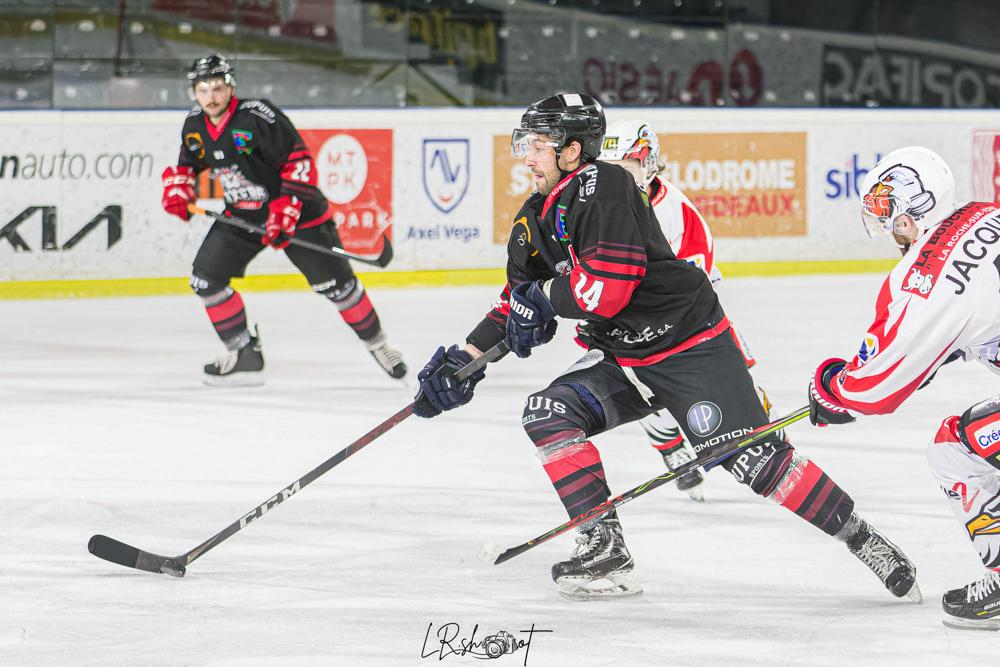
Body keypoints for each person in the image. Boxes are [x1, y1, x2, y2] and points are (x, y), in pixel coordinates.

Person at [412, 92, 920, 603]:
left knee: (756, 464)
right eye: (524, 143)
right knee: (547, 413)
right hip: (623, 357)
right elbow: (513, 303)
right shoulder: (533, 218)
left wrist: (542, 299)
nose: (526, 155)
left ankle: (863, 538)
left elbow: (609, 287)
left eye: (538, 144)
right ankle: (604, 547)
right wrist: (465, 360)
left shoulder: (604, 184)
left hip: (689, 345)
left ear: (571, 150)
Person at [807, 145, 1000, 630]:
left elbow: (876, 388)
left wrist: (834, 385)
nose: (889, 227)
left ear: (913, 210)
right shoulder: (986, 213)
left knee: (955, 449)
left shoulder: (928, 275)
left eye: (888, 212)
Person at [160, 54, 406, 385]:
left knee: (338, 287)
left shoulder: (259, 116)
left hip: (299, 215)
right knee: (205, 280)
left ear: (231, 87)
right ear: (193, 92)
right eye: (203, 89)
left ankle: (379, 345)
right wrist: (178, 187)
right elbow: (188, 162)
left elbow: (299, 163)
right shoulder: (194, 125)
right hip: (242, 217)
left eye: (218, 87)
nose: (211, 96)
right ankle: (244, 353)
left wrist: (285, 212)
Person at [597, 119, 764, 502]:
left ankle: (757, 429)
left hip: (689, 314)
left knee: (734, 376)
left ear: (648, 163)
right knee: (651, 398)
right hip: (630, 319)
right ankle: (670, 446)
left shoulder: (677, 212)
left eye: (624, 169)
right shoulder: (596, 205)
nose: (614, 180)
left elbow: (693, 289)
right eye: (607, 170)